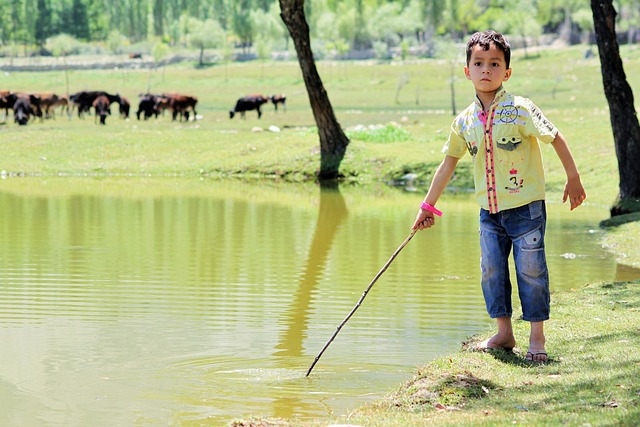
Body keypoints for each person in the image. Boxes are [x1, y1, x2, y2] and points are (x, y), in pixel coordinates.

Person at [411, 30, 586, 363]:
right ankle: (503, 332)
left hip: (526, 209)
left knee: (531, 272)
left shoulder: (521, 109)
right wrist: (427, 205)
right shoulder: (463, 122)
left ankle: (537, 337)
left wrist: (573, 178)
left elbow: (555, 136)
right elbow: (447, 164)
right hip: (488, 213)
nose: (486, 70)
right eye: (478, 63)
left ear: (507, 72)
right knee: (491, 270)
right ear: (467, 71)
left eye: (494, 63)